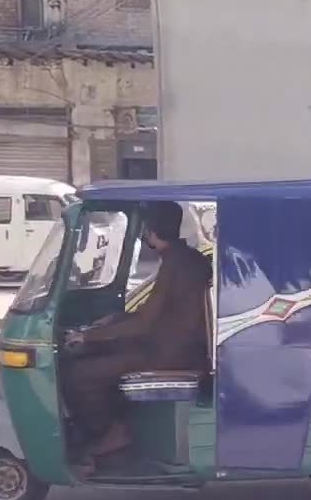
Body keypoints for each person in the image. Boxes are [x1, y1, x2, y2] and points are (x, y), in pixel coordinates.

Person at [63, 201, 212, 470]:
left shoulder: (175, 263)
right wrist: (113, 323)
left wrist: (89, 337)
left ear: (151, 232)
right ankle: (116, 427)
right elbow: (156, 312)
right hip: (173, 344)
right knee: (102, 355)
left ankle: (113, 433)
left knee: (81, 375)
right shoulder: (187, 258)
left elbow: (145, 323)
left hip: (169, 353)